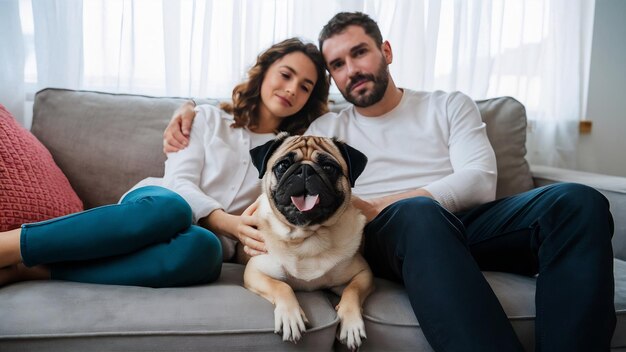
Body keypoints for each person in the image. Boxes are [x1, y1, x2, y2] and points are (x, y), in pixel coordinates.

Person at [162, 12, 616, 352]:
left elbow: (479, 182)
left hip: (466, 222)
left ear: (386, 51)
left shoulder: (449, 105)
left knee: (578, 201)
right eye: (337, 64)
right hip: (395, 235)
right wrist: (188, 109)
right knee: (418, 215)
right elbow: (259, 120)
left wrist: (374, 204)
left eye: (359, 52)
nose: (351, 69)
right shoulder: (328, 127)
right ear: (332, 79)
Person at [0, 38, 330, 289]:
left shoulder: (293, 154)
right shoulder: (206, 118)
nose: (291, 89)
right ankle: (11, 246)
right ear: (264, 72)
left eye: (305, 87)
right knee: (175, 209)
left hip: (205, 241)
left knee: (206, 252)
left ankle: (36, 271)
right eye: (286, 75)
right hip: (155, 207)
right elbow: (179, 182)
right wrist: (225, 221)